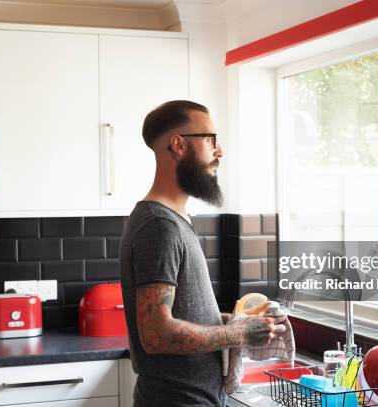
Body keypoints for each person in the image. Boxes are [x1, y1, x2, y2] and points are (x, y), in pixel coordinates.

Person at [119, 100, 286, 406]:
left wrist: (233, 321)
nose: (218, 151)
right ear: (179, 145)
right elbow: (156, 334)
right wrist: (241, 335)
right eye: (210, 140)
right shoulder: (159, 225)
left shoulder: (174, 219)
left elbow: (179, 315)